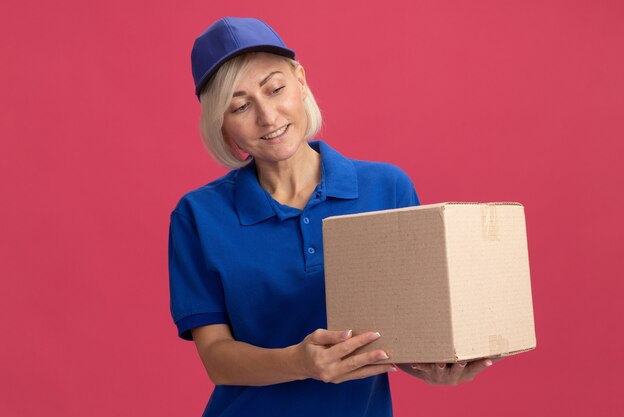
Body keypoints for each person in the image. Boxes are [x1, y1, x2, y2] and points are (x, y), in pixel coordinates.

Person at [168, 17, 498, 417]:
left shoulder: (387, 189)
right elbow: (217, 358)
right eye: (240, 106)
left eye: (276, 89)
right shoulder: (198, 216)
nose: (269, 117)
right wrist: (300, 363)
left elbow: (402, 331)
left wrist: (436, 366)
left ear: (301, 81)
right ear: (222, 125)